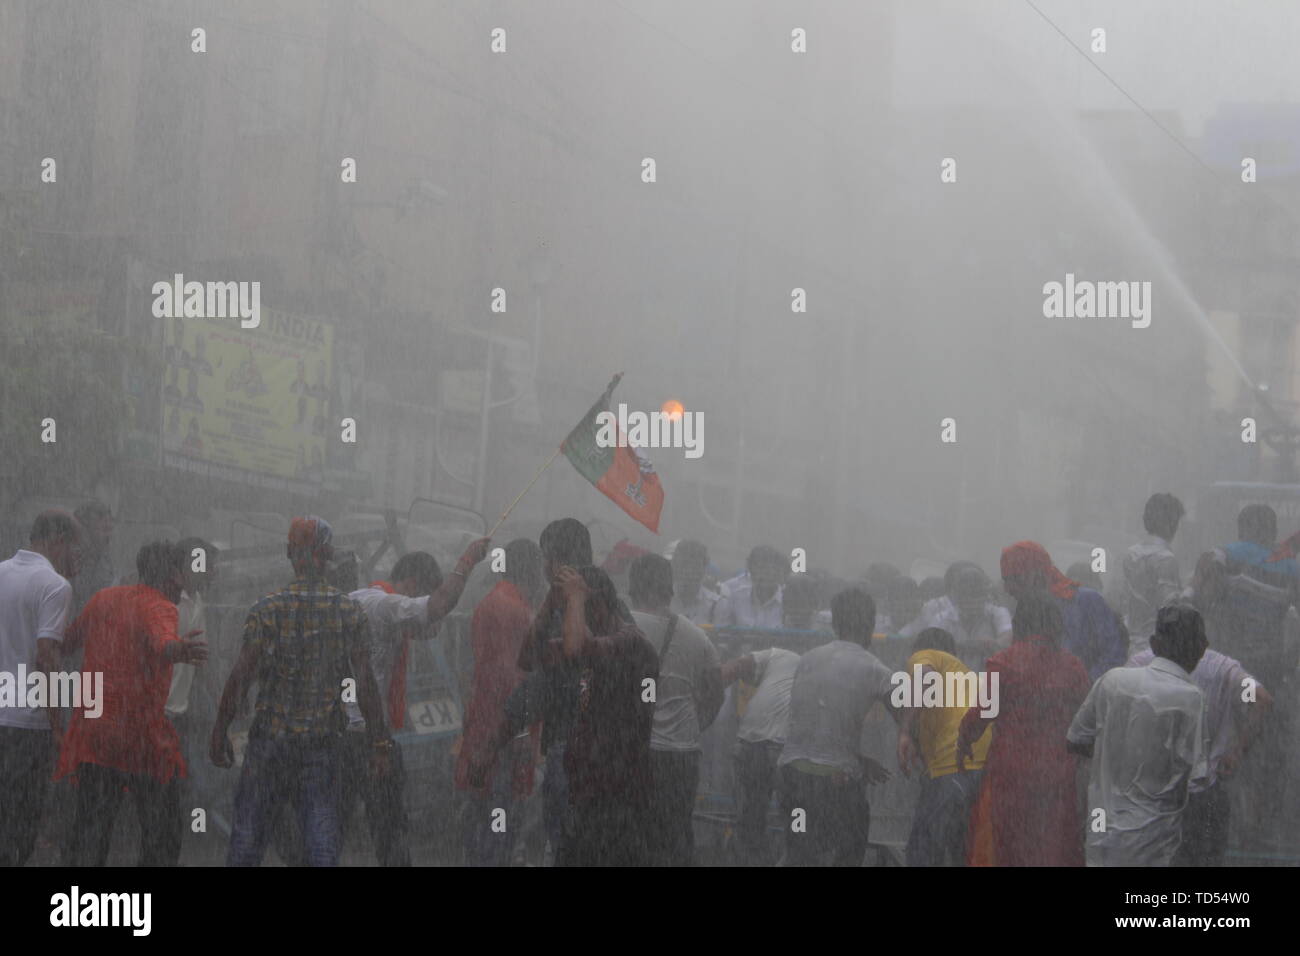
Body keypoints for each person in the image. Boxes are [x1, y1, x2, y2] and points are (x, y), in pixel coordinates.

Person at [210, 516, 391, 867]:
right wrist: (379, 742)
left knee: (247, 840)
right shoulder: (347, 611)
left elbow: (241, 675)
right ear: (329, 556)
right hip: (321, 745)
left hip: (269, 744)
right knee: (320, 839)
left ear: (289, 553)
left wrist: (220, 730)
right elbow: (365, 681)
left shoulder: (267, 609)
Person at [57, 542, 208, 866]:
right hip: (140, 739)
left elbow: (66, 644)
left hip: (94, 733)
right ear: (174, 574)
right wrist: (178, 651)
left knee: (91, 824)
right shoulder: (161, 607)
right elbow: (162, 641)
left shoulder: (104, 598)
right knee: (162, 829)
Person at [341, 538, 491, 866]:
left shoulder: (370, 603)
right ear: (411, 586)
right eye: (423, 594)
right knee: (388, 825)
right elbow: (435, 609)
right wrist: (466, 562)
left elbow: (429, 627)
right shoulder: (382, 604)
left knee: (341, 822)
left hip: (349, 730)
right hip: (364, 733)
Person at [1067, 605, 1209, 866]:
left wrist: (1113, 755)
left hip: (1102, 831)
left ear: (1154, 644)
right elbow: (1197, 780)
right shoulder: (1191, 699)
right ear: (1202, 648)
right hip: (1153, 842)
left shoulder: (1112, 680)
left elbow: (1075, 739)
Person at [1190, 503, 1297, 847]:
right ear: (1269, 532)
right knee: (1265, 750)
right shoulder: (1289, 566)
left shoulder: (1221, 556)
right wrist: (1288, 662)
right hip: (1267, 672)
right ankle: (1260, 833)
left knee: (1216, 744)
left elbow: (1201, 599)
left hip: (1226, 671)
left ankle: (1217, 829)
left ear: (1241, 529)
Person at [957, 593, 1090, 867]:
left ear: (1020, 624)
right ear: (1055, 626)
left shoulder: (1003, 662)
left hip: (1011, 768)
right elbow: (1086, 719)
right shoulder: (1073, 666)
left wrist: (964, 740)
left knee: (1009, 839)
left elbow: (983, 712)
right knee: (1054, 841)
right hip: (1057, 770)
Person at [777, 588, 896, 867]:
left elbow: (815, 726)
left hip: (793, 777)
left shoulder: (808, 659)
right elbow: (909, 715)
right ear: (871, 625)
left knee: (799, 851)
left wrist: (856, 758)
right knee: (848, 852)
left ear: (834, 624)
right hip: (837, 783)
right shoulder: (876, 669)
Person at [1127, 639, 1270, 866]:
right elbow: (1259, 698)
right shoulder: (1221, 668)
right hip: (1206, 796)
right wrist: (1236, 749)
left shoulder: (1142, 664)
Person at [552, 565, 658, 866]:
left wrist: (574, 597)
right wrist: (553, 604)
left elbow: (576, 649)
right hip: (588, 784)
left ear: (595, 606)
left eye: (575, 611)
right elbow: (530, 654)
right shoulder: (601, 639)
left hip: (618, 789)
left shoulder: (630, 642)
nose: (569, 620)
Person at [628, 553, 723, 866]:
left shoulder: (622, 628)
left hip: (635, 749)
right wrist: (696, 725)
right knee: (677, 831)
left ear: (633, 585)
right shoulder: (696, 635)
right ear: (668, 587)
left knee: (633, 831)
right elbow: (715, 691)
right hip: (682, 753)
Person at [456, 538, 545, 867]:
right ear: (533, 569)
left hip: (487, 726)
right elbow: (510, 680)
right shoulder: (514, 610)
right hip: (501, 733)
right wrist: (519, 734)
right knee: (499, 812)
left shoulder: (496, 601)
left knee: (482, 808)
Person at [0, 510, 80, 867]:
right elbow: (46, 657)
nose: (75, 558)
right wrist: (56, 725)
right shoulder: (54, 586)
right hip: (26, 722)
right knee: (21, 816)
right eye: (74, 549)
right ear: (58, 540)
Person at [897, 628, 992, 866]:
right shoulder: (969, 677)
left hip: (953, 766)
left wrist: (905, 731)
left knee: (923, 851)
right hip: (983, 772)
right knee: (961, 849)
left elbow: (925, 677)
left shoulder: (927, 655)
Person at [723, 640, 802, 865]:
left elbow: (733, 668)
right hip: (787, 750)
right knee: (798, 818)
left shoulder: (780, 655)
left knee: (749, 821)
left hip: (752, 744)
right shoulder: (820, 668)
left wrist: (705, 697)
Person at [1000, 540, 1125, 682]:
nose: (1008, 589)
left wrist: (1082, 686)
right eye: (1005, 581)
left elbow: (1113, 653)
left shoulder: (1086, 600)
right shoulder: (1024, 610)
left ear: (1036, 575)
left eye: (1014, 580)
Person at [899, 563, 1012, 669]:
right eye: (966, 595)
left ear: (985, 596)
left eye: (976, 594)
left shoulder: (998, 613)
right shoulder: (942, 619)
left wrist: (958, 646)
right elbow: (928, 650)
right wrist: (979, 645)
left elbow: (1007, 640)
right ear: (956, 597)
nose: (972, 600)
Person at [1121, 493, 1186, 655]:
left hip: (1129, 643)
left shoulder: (1130, 554)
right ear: (1171, 523)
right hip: (1155, 648)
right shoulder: (1166, 559)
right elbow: (1170, 606)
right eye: (1176, 520)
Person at [716, 546, 785, 629]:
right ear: (750, 572)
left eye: (769, 569)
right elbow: (722, 634)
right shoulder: (735, 598)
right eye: (760, 568)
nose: (763, 575)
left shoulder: (787, 602)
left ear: (778, 572)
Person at [71, 499, 115, 614]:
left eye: (110, 529)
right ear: (84, 528)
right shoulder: (70, 559)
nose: (109, 536)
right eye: (104, 529)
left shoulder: (106, 560)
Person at [670, 539, 723, 626]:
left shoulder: (716, 604)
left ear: (705, 569)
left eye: (695, 566)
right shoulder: (661, 600)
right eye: (684, 564)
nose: (689, 571)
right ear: (674, 566)